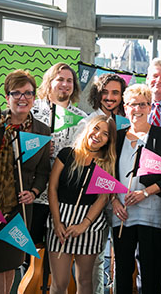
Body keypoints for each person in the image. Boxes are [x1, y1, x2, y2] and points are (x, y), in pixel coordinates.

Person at [0, 70, 51, 294]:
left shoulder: (42, 130)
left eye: (28, 93)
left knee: (11, 263)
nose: (23, 98)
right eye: (16, 93)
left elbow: (43, 171)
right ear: (7, 96)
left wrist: (35, 191)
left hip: (21, 207)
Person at [110, 84, 161, 294]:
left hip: (151, 214)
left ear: (150, 107)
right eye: (131, 104)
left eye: (142, 104)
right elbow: (107, 173)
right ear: (125, 108)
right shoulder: (116, 137)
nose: (137, 109)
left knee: (151, 271)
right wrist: (113, 200)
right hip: (122, 214)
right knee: (123, 270)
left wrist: (145, 192)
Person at [47, 115, 117, 294]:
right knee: (59, 283)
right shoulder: (66, 154)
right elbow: (52, 188)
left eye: (105, 133)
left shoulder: (107, 163)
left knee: (85, 281)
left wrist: (83, 225)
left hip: (90, 227)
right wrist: (57, 222)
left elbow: (103, 198)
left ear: (109, 140)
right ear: (88, 128)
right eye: (96, 128)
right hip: (60, 221)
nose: (98, 135)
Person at [31, 62, 87, 245]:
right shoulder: (32, 112)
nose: (65, 84)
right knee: (31, 249)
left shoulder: (82, 119)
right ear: (49, 82)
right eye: (60, 79)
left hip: (63, 197)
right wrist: (38, 151)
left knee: (57, 250)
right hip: (34, 194)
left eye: (69, 81)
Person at [84, 72, 127, 293]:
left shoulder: (130, 123)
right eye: (105, 92)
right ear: (97, 94)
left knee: (122, 257)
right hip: (96, 199)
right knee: (95, 257)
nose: (110, 97)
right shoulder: (88, 122)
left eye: (115, 93)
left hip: (124, 199)